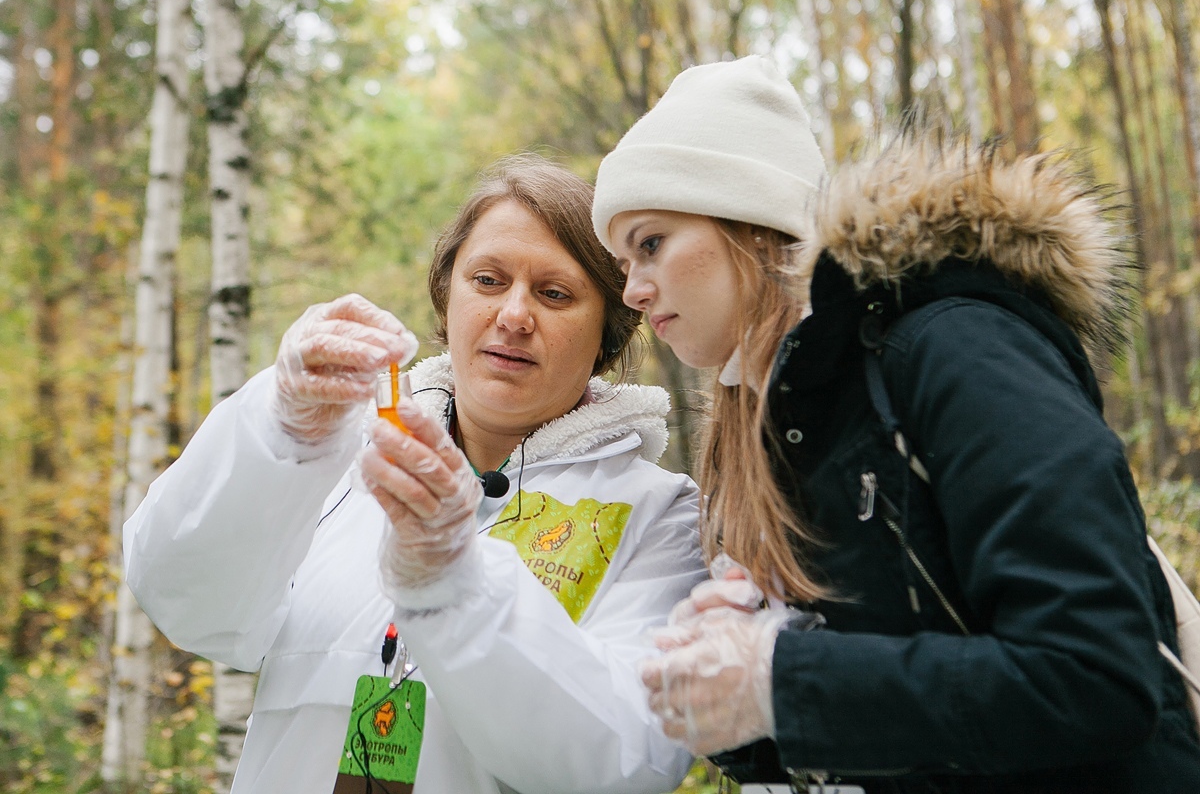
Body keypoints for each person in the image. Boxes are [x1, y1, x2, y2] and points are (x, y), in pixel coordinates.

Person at [590, 55, 1200, 792]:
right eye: (623, 260)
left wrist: (782, 679)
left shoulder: (955, 347)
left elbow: (1098, 674)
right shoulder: (779, 427)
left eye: (651, 242)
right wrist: (731, 696)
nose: (633, 287)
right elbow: (904, 719)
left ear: (749, 222)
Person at [124, 155, 706, 794]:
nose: (514, 315)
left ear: (608, 333)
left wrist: (457, 581)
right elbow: (188, 602)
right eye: (487, 280)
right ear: (446, 296)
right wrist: (275, 433)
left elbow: (626, 761)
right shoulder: (345, 452)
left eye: (555, 293)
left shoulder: (657, 514)